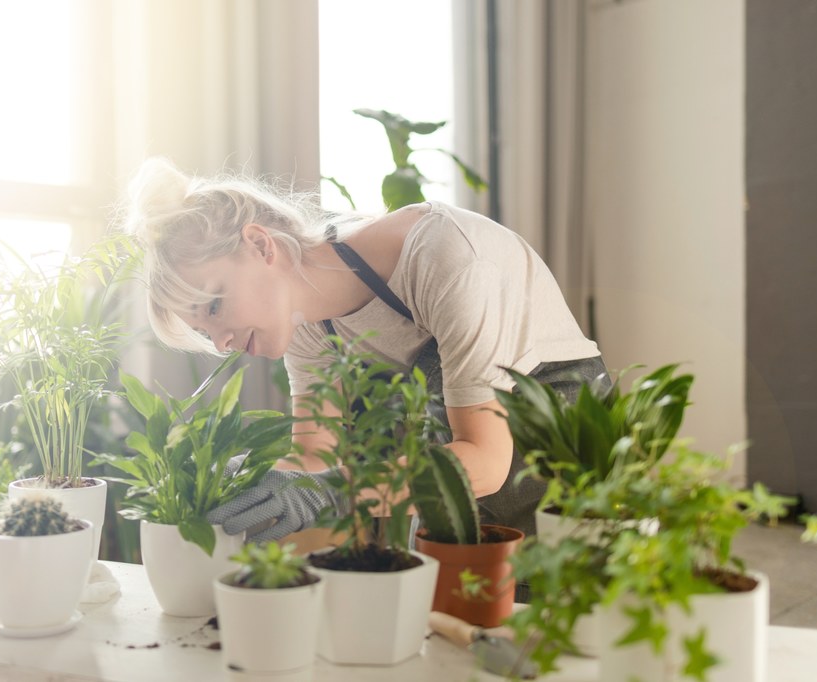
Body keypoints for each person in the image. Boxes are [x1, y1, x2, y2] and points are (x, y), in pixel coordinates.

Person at [124, 156, 608, 547]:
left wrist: (331, 492)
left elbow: (483, 460)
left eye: (213, 304)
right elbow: (316, 456)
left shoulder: (443, 257)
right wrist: (243, 480)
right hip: (463, 516)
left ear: (259, 244)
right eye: (205, 333)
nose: (223, 341)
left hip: (560, 483)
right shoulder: (311, 326)